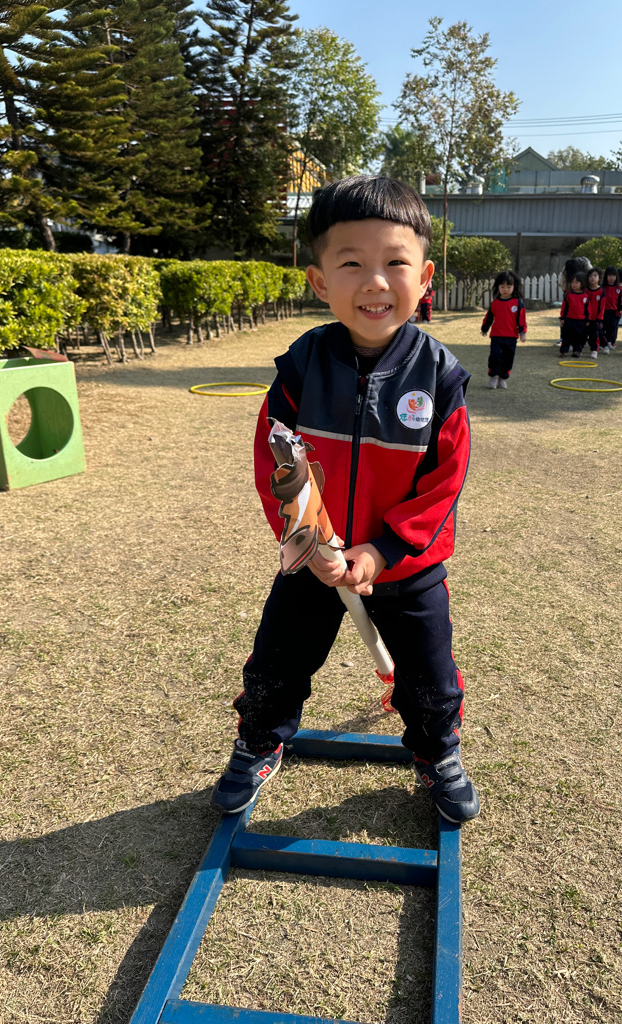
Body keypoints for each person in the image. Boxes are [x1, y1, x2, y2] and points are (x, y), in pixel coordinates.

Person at [210, 175, 480, 825]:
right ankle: (258, 741)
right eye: (351, 264)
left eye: (395, 263)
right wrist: (312, 544)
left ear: (425, 277)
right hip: (316, 561)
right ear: (319, 281)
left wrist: (383, 551)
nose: (375, 282)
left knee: (430, 676)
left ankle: (436, 751)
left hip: (406, 568)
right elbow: (277, 461)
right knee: (277, 661)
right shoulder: (301, 367)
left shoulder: (440, 376)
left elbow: (444, 481)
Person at [480, 269, 527, 388]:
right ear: (498, 287)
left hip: (511, 337)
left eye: (508, 287)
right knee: (495, 356)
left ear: (514, 287)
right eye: (502, 287)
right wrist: (484, 328)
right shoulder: (495, 303)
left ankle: (503, 378)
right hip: (496, 336)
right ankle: (494, 376)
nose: (505, 289)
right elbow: (489, 317)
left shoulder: (517, 303)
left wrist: (522, 332)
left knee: (508, 358)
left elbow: (521, 319)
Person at [559, 270, 589, 357]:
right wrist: (562, 318)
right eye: (572, 282)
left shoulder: (585, 296)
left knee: (578, 337)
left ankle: (577, 351)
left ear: (582, 283)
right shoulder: (569, 295)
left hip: (580, 320)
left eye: (576, 282)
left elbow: (587, 309)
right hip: (569, 319)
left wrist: (587, 319)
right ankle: (563, 351)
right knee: (566, 336)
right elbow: (564, 308)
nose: (574, 284)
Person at [602, 266, 622, 351]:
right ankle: (602, 342)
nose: (611, 278)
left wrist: (620, 310)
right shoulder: (603, 288)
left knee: (613, 327)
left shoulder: (619, 289)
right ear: (606, 276)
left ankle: (610, 342)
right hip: (604, 311)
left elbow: (620, 300)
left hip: (614, 311)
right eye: (610, 275)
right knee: (604, 327)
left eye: (613, 275)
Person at [584, 268, 606, 355]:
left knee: (595, 334)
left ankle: (594, 350)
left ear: (599, 278)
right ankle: (578, 349)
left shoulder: (601, 291)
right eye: (590, 276)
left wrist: (600, 319)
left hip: (596, 318)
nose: (593, 278)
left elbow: (602, 306)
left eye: (595, 276)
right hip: (586, 318)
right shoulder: (586, 291)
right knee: (584, 334)